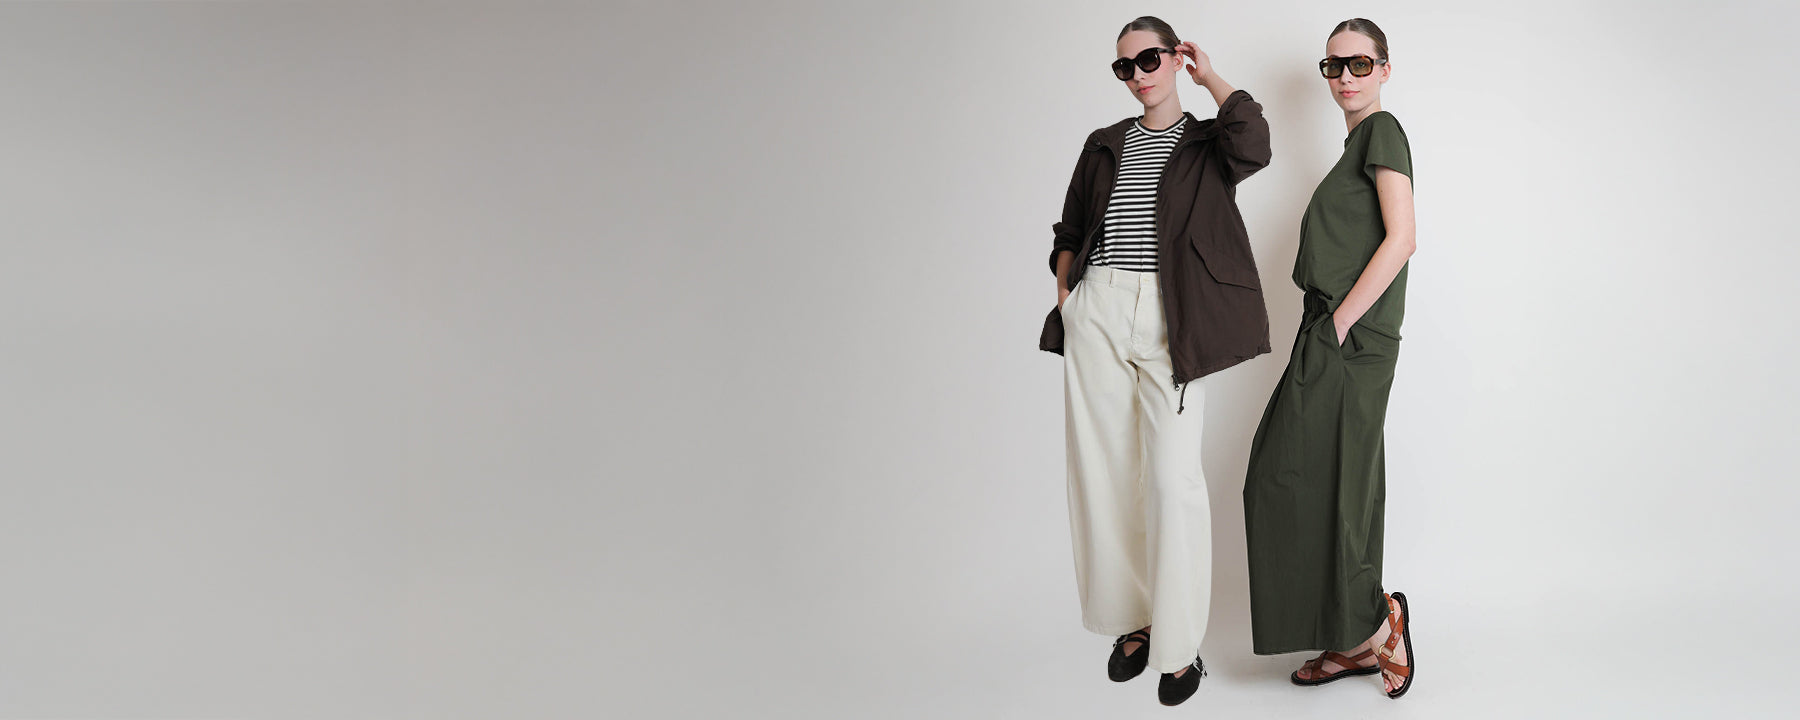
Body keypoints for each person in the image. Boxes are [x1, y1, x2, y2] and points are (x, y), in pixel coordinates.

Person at [1036, 15, 1271, 707]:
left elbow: (1256, 143)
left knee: (1174, 480)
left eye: (1148, 59)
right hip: (1101, 309)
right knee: (1105, 475)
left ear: (1174, 58)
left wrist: (1212, 78)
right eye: (1124, 66)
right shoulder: (1104, 143)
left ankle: (1180, 647)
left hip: (1174, 315)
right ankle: (1133, 620)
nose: (1137, 74)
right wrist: (1069, 296)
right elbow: (1071, 227)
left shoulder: (1207, 142)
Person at [1241, 17, 1418, 699]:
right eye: (1334, 65)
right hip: (1331, 331)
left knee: (1338, 485)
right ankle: (1351, 638)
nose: (1345, 76)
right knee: (1306, 480)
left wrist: (1342, 322)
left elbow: (1402, 238)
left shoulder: (1382, 131)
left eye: (1360, 64)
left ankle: (1377, 622)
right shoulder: (1353, 149)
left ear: (1384, 69)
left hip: (1353, 338)